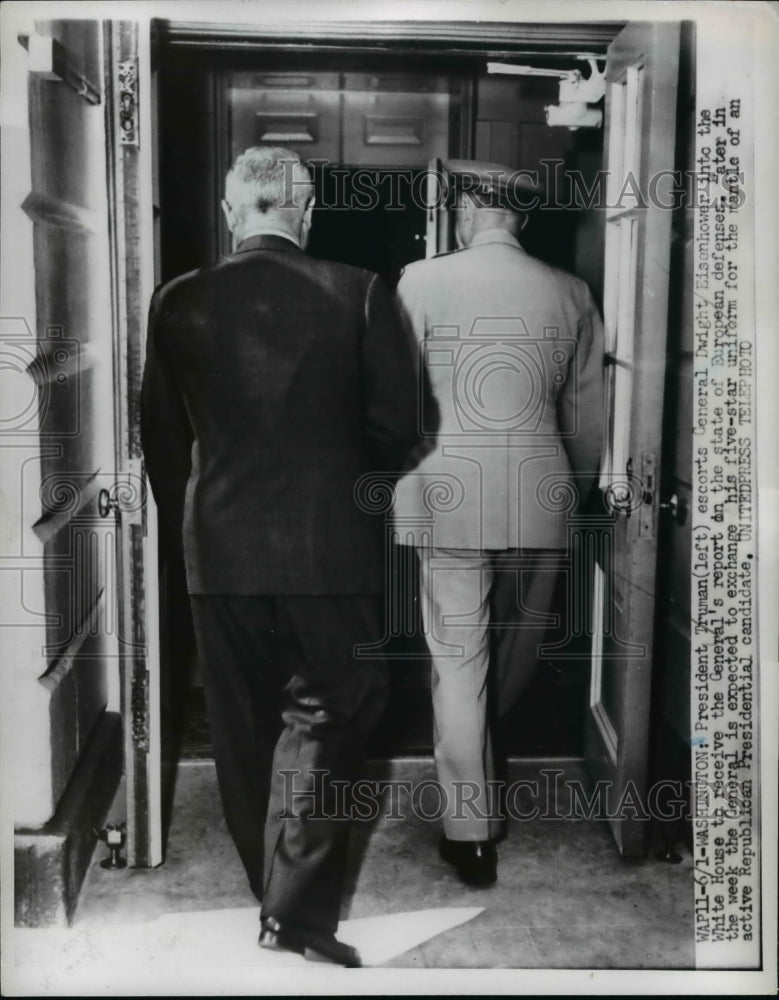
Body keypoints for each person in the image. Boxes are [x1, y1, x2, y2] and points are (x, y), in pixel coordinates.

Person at [141, 146, 423, 967]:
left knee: (240, 726)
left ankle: (270, 894)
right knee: (335, 709)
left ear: (234, 212)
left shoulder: (177, 298)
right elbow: (395, 431)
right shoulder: (360, 291)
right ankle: (294, 914)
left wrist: (194, 520)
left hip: (216, 547)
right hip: (326, 547)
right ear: (306, 211)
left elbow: (160, 432)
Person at [394, 159, 604, 887]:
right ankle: (488, 776)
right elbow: (585, 418)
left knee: (457, 660)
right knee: (515, 654)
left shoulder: (419, 282)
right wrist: (572, 498)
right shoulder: (570, 291)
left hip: (448, 492)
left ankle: (470, 830)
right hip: (541, 496)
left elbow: (396, 402)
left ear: (464, 212)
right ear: (522, 218)